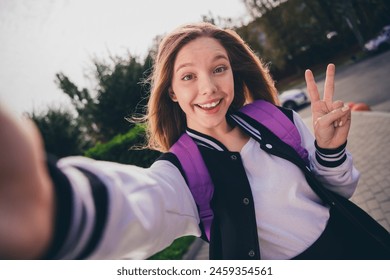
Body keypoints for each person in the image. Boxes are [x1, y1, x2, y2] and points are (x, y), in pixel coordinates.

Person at [0, 22, 362, 260]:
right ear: (171, 92)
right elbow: (140, 204)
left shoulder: (276, 118)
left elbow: (340, 191)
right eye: (188, 76)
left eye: (219, 68)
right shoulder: (182, 172)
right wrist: (54, 207)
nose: (208, 88)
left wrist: (329, 151)